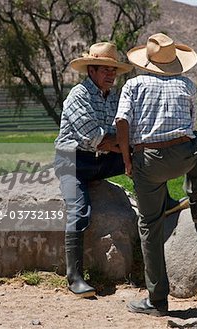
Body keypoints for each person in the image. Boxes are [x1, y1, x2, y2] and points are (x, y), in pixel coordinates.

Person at [115, 33, 197, 315]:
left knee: (149, 225)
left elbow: (122, 121)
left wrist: (127, 158)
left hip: (147, 161)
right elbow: (191, 125)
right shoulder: (187, 84)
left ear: (146, 60)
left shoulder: (133, 85)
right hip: (184, 156)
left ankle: (157, 301)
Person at [54, 42, 132, 298]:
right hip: (74, 162)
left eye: (113, 71)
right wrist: (125, 148)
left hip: (102, 159)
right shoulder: (78, 96)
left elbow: (122, 131)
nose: (110, 75)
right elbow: (97, 137)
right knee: (79, 210)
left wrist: (130, 147)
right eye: (105, 70)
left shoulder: (114, 96)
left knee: (144, 158)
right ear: (91, 70)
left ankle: (164, 202)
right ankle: (74, 277)